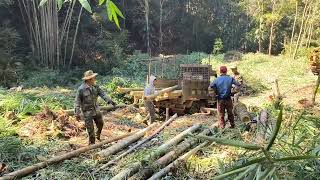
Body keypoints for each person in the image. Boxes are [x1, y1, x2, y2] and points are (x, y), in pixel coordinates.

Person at [74, 70, 116, 145]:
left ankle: (98, 136)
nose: (95, 79)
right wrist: (77, 113)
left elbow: (102, 94)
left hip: (96, 110)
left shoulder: (95, 87)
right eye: (93, 78)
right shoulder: (81, 89)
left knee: (101, 124)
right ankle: (92, 144)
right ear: (89, 79)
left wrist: (110, 101)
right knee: (90, 130)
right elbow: (77, 101)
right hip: (87, 113)